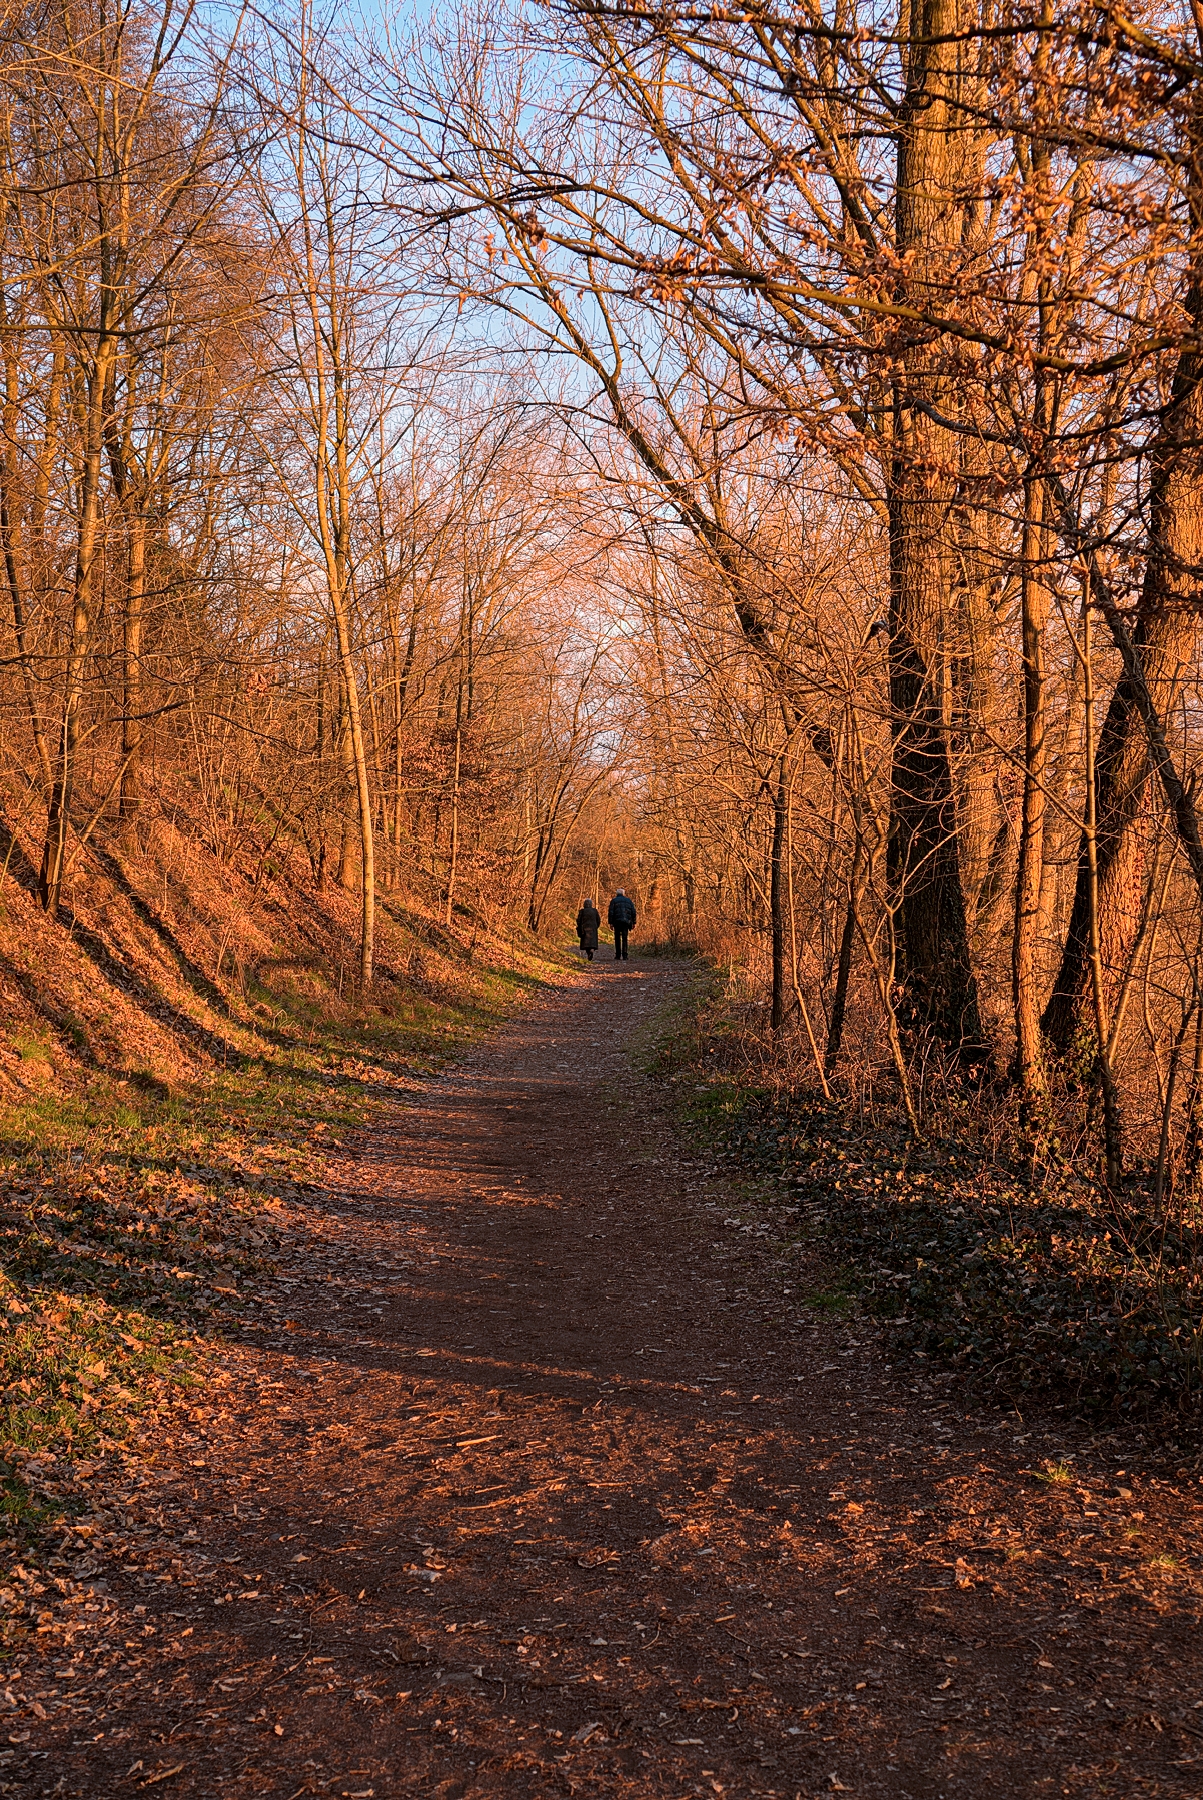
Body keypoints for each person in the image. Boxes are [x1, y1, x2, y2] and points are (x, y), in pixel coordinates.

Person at [607, 889, 636, 961]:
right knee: (625, 938)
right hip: (626, 922)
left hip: (617, 922)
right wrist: (634, 922)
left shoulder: (613, 901)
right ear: (623, 893)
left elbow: (611, 912)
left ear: (617, 894)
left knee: (617, 938)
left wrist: (611, 923)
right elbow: (633, 912)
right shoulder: (629, 901)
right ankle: (625, 955)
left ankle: (618, 955)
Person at [576, 897, 600, 961]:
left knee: (586, 944)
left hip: (584, 928)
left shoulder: (582, 911)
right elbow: (598, 920)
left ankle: (588, 953)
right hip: (593, 928)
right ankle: (592, 950)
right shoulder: (595, 911)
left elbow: (578, 920)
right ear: (591, 904)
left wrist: (579, 926)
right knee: (592, 943)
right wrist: (596, 926)